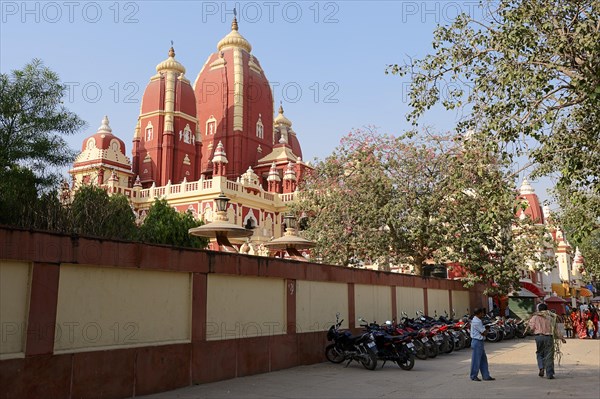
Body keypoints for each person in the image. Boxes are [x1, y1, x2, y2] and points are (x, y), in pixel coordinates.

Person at [527, 303, 567, 379]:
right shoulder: (551, 317)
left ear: (539, 309)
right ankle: (549, 374)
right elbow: (556, 329)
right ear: (547, 309)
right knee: (549, 355)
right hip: (549, 337)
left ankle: (541, 367)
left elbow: (531, 328)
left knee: (539, 353)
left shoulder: (535, 317)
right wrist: (562, 338)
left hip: (539, 337)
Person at [469, 308, 495, 381]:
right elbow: (484, 333)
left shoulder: (478, 320)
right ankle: (473, 376)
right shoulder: (476, 322)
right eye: (482, 313)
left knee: (483, 359)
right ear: (479, 313)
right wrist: (487, 329)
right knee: (476, 360)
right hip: (477, 341)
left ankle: (486, 375)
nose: (483, 314)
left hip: (479, 342)